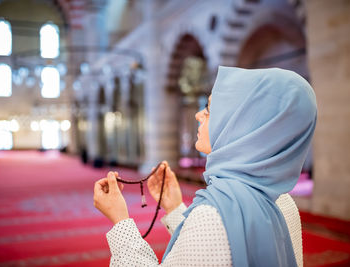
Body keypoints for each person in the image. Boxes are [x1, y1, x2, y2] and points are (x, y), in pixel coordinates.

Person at [93, 66, 317, 266]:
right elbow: (213, 253)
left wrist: (120, 222)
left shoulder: (213, 214)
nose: (199, 114)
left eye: (210, 109)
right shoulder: (283, 201)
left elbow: (212, 233)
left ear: (240, 125)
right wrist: (174, 208)